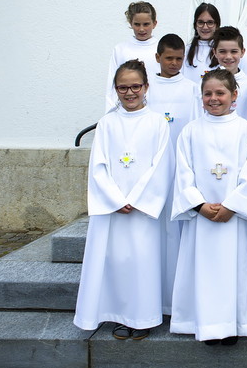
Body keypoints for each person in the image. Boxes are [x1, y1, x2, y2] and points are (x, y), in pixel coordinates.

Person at [74, 60, 174, 341]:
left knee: (142, 260)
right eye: (123, 87)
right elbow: (99, 166)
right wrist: (116, 199)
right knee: (114, 260)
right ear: (115, 89)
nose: (129, 92)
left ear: (146, 87)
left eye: (135, 86)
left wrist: (138, 199)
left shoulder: (157, 122)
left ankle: (142, 318)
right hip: (113, 209)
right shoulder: (107, 124)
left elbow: (162, 165)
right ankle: (117, 314)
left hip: (143, 210)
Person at [170, 69, 247, 345]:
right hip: (203, 218)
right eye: (208, 94)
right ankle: (207, 322)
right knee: (206, 271)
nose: (214, 98)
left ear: (234, 95)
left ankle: (237, 323)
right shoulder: (190, 131)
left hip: (234, 219)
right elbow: (183, 173)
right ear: (200, 97)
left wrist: (232, 206)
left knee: (237, 270)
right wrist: (199, 204)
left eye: (220, 93)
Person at [146, 34, 201, 315]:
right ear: (157, 57)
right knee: (157, 237)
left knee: (178, 236)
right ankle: (155, 296)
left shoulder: (191, 88)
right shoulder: (147, 89)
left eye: (179, 58)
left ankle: (178, 299)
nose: (175, 63)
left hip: (180, 170)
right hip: (153, 173)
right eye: (169, 58)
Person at [104, 1, 161, 111]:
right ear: (131, 23)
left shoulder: (161, 49)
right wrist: (110, 112)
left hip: (156, 109)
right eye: (137, 24)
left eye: (146, 24)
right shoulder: (120, 50)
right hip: (127, 111)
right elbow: (111, 85)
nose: (141, 29)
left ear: (154, 23)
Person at [209, 26, 247, 127]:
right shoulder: (206, 83)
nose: (228, 57)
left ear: (242, 52)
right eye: (222, 51)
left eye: (234, 51)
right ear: (215, 52)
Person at [182, 3, 220, 83]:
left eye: (210, 22)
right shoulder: (185, 51)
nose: (205, 27)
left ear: (217, 25)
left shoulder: (222, 51)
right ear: (195, 25)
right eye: (201, 22)